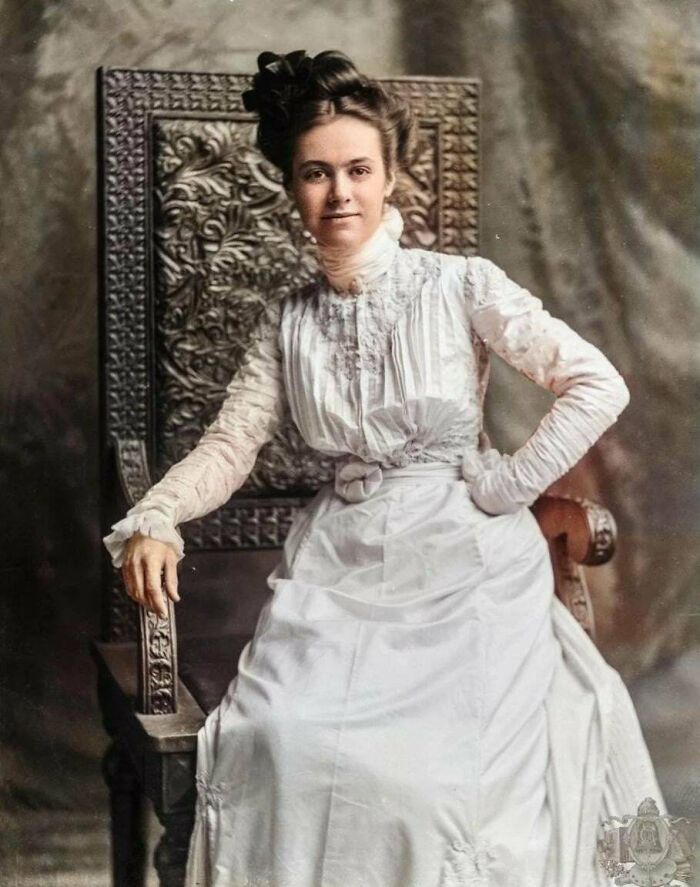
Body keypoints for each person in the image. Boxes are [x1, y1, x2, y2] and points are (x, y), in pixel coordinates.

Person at [103, 49, 666, 887]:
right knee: (276, 742)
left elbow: (596, 382)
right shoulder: (286, 323)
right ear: (291, 188)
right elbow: (228, 446)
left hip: (467, 567)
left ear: (390, 176)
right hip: (340, 567)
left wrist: (505, 486)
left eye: (359, 170)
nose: (341, 194)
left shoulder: (459, 284)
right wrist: (155, 515)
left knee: (432, 782)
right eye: (316, 174)